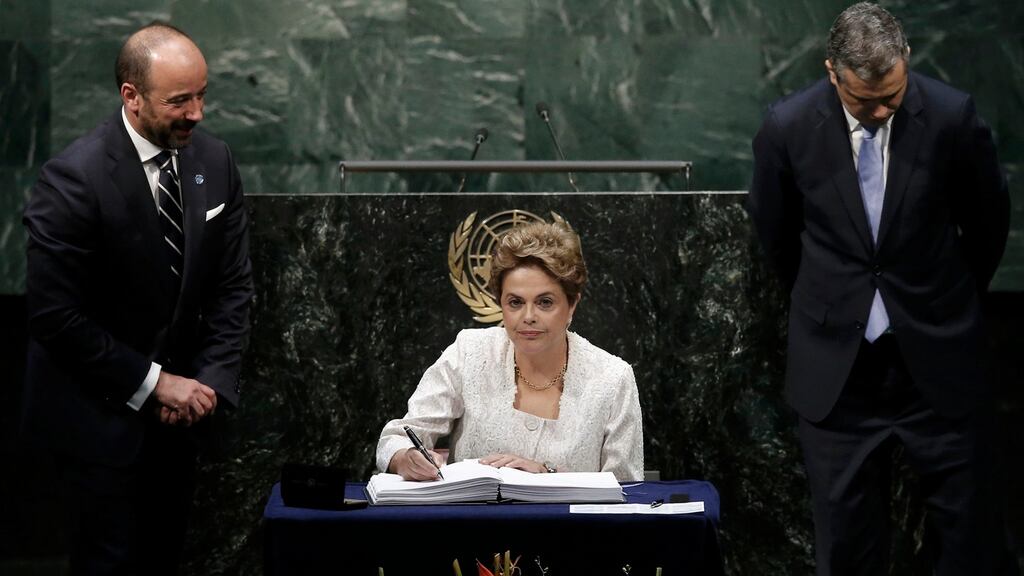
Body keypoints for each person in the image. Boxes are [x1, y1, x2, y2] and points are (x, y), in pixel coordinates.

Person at [747, 2, 1016, 574]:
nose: (878, 112)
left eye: (891, 97)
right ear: (831, 72)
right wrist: (833, 304)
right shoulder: (788, 127)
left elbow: (989, 222)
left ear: (907, 63)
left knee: (970, 541)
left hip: (937, 359)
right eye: (863, 100)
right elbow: (776, 234)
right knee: (846, 546)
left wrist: (941, 301)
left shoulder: (951, 117)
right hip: (838, 373)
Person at [22, 22, 254, 574]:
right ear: (131, 95)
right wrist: (154, 385)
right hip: (99, 420)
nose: (196, 112)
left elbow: (232, 288)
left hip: (187, 423)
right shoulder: (72, 180)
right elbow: (56, 318)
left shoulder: (215, 162)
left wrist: (208, 383)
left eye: (202, 95)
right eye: (179, 100)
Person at [376, 222, 643, 482]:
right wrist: (406, 457)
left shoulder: (613, 378)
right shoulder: (469, 352)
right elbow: (395, 439)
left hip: (570, 527)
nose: (528, 316)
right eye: (515, 302)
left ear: (572, 305)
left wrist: (547, 476)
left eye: (545, 302)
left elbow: (627, 492)